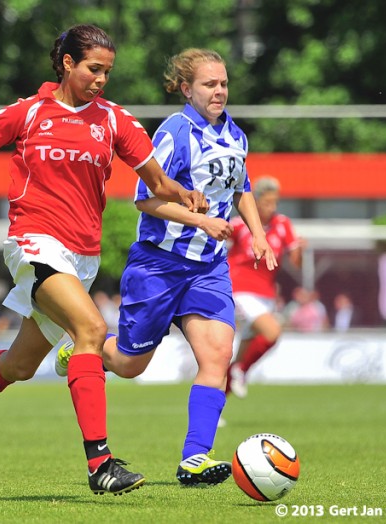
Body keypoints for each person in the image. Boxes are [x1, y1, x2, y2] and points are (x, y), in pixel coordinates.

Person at [0, 24, 207, 496]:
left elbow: (158, 182)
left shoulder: (115, 121)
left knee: (17, 369)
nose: (102, 79)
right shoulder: (29, 112)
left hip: (81, 257)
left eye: (107, 71)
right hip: (34, 242)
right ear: (67, 64)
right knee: (91, 330)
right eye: (93, 68)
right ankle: (100, 463)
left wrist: (186, 195)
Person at [55, 48, 276, 486]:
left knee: (217, 355)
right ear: (185, 88)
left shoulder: (236, 135)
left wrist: (259, 235)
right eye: (209, 84)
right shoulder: (174, 132)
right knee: (131, 364)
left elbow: (242, 187)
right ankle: (83, 349)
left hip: (208, 268)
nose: (219, 91)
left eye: (224, 83)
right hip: (158, 265)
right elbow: (144, 197)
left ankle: (195, 457)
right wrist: (200, 219)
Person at [225, 176, 304, 400]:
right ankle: (242, 371)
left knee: (242, 354)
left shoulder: (283, 224)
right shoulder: (240, 224)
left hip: (266, 293)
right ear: (255, 201)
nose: (272, 207)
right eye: (267, 202)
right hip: (240, 289)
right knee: (272, 331)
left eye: (275, 202)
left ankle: (216, 407)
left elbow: (295, 262)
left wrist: (299, 251)